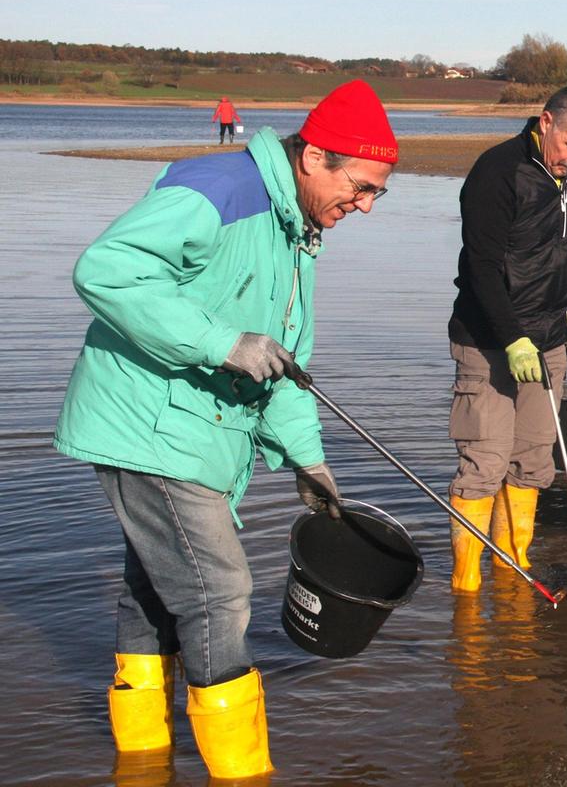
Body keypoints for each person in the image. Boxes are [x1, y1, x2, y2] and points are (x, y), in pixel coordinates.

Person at [53, 79, 398, 779]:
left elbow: (285, 359)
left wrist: (308, 460)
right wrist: (219, 342)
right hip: (145, 424)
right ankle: (243, 774)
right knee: (218, 589)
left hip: (192, 428)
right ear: (315, 159)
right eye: (360, 187)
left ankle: (143, 762)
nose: (363, 205)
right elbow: (107, 269)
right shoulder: (221, 189)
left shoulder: (296, 227)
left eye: (376, 195)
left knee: (155, 591)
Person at [448, 84, 567, 593]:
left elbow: (565, 243)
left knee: (534, 460)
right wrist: (513, 337)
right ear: (545, 122)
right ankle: (467, 589)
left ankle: (513, 568)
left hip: (549, 338)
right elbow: (482, 267)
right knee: (485, 463)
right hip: (490, 341)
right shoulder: (497, 174)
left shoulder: (564, 177)